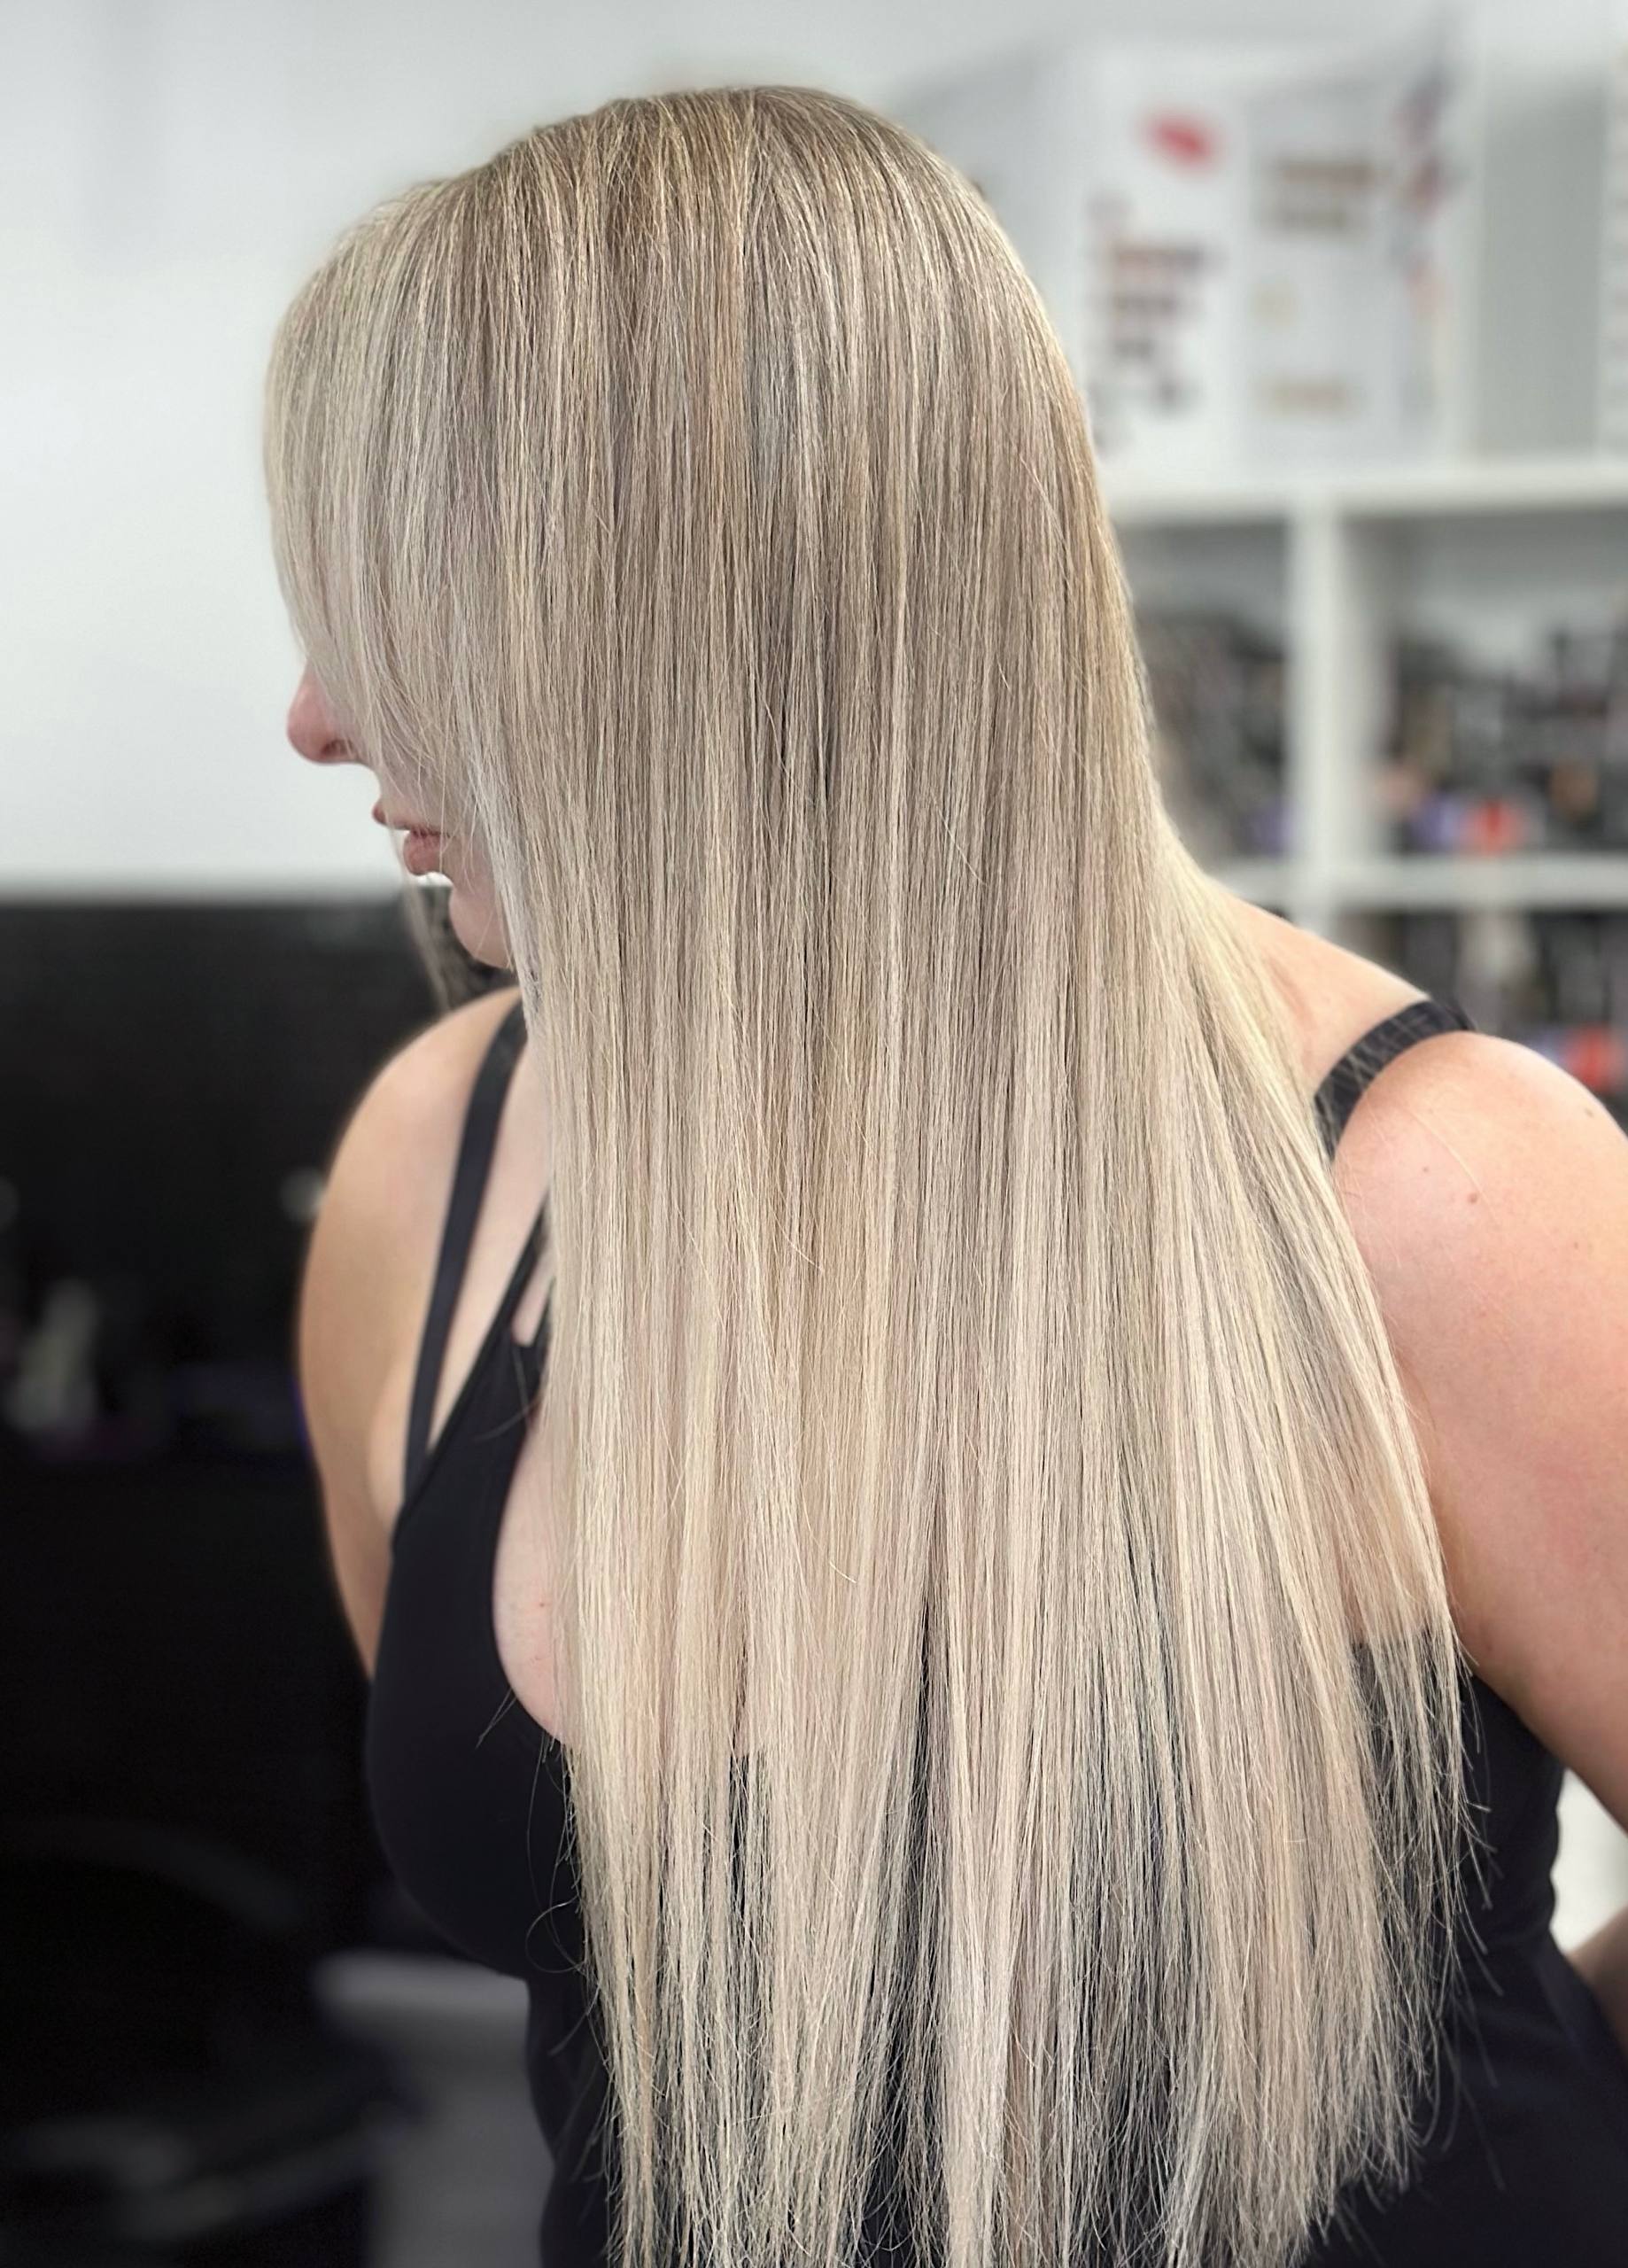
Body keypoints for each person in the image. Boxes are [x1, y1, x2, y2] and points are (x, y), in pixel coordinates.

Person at [268, 84, 1628, 2268]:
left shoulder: (1426, 1196)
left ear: (681, 629)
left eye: (396, 611)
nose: (317, 717)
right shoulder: (436, 1166)